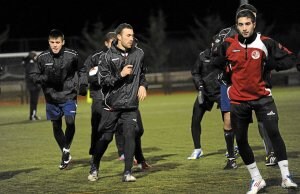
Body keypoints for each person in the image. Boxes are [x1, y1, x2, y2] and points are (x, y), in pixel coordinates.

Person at [213, 10, 298, 193]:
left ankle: (285, 177)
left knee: (274, 133)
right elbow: (216, 60)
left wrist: (273, 64)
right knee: (241, 139)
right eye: (241, 24)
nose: (245, 28)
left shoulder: (266, 42)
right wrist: (225, 74)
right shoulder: (228, 44)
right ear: (237, 26)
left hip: (262, 98)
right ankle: (257, 179)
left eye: (248, 24)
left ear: (254, 24)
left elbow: (290, 58)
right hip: (238, 100)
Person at [212, 3, 277, 167]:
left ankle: (271, 153)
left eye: (252, 18)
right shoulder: (226, 34)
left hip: (254, 85)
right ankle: (231, 158)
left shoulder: (258, 37)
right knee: (229, 120)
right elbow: (215, 54)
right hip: (229, 84)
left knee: (263, 118)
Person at [88, 23, 148, 182]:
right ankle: (94, 164)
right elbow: (103, 81)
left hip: (130, 105)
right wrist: (120, 74)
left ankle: (127, 172)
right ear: (119, 37)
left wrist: (142, 85)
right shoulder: (106, 57)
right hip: (112, 106)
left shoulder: (139, 53)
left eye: (132, 35)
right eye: (128, 35)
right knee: (106, 138)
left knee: (130, 135)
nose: (131, 38)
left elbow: (142, 72)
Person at [30, 29, 88, 170]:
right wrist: (46, 78)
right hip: (51, 97)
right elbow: (33, 75)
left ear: (63, 42)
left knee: (70, 121)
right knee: (56, 126)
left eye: (57, 42)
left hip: (69, 95)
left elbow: (82, 70)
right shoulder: (42, 58)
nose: (55, 45)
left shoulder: (72, 55)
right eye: (52, 42)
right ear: (49, 42)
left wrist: (83, 84)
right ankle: (65, 152)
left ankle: (65, 151)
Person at [187, 46, 239, 169]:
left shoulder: (226, 55)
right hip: (205, 91)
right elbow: (195, 72)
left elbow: (231, 71)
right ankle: (197, 149)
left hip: (221, 90)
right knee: (195, 119)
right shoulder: (202, 55)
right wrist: (199, 85)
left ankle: (231, 148)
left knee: (228, 121)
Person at [22, 51, 42, 121]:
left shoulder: (30, 64)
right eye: (35, 56)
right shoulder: (31, 64)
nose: (36, 57)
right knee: (34, 101)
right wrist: (37, 83)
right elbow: (32, 76)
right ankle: (32, 116)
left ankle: (33, 115)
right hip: (33, 86)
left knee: (34, 102)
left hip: (32, 85)